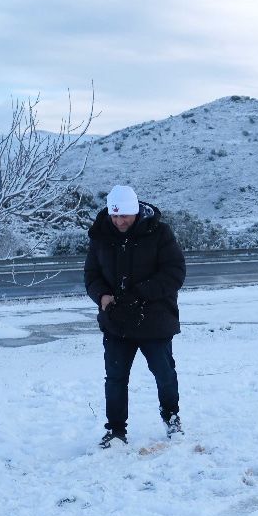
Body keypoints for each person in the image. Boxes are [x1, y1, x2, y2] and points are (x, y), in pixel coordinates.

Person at [83, 185, 187, 449]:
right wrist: (102, 296)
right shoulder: (101, 235)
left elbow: (175, 273)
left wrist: (139, 294)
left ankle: (171, 418)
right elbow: (92, 275)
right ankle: (116, 430)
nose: (119, 221)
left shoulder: (159, 232)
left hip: (155, 320)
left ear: (136, 211)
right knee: (115, 378)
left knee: (164, 374)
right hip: (116, 321)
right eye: (115, 216)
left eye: (125, 216)